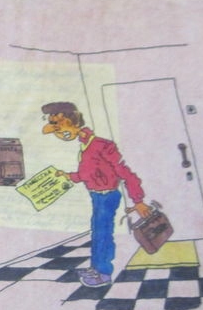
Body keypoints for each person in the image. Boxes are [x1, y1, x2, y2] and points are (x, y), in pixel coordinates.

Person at [41, 101, 151, 288]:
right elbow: (87, 174)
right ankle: (96, 268)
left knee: (103, 234)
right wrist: (67, 175)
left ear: (75, 122)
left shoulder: (102, 145)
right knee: (98, 232)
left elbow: (125, 172)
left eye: (61, 129)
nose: (60, 135)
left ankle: (103, 273)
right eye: (57, 131)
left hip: (107, 196)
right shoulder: (85, 145)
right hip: (97, 196)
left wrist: (138, 200)